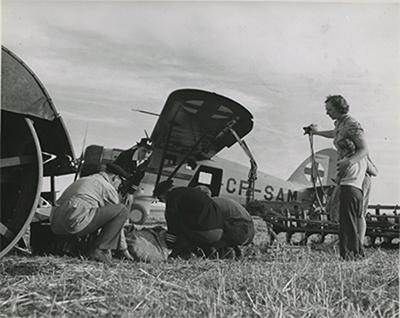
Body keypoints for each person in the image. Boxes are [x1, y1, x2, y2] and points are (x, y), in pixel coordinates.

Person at [309, 95, 368, 260]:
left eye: (330, 110)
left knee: (348, 218)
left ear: (340, 107)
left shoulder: (352, 124)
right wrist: (317, 132)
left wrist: (348, 162)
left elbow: (364, 149)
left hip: (352, 175)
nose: (327, 113)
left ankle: (353, 255)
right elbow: (335, 134)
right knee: (346, 218)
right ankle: (352, 254)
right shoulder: (340, 124)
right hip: (346, 175)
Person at [50, 163, 132, 264]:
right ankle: (100, 250)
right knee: (122, 211)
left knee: (92, 211)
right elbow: (118, 223)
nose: (119, 186)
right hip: (74, 223)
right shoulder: (107, 187)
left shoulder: (83, 180)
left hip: (55, 224)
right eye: (121, 183)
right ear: (115, 178)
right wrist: (124, 250)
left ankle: (72, 245)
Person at [153, 180, 226, 259]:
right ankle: (209, 251)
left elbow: (172, 222)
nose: (163, 202)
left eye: (161, 199)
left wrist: (169, 243)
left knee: (182, 230)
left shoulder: (172, 195)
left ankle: (179, 255)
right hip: (219, 232)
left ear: (164, 194)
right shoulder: (188, 193)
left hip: (204, 232)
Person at [195, 185, 255, 257]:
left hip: (240, 230)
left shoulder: (210, 204)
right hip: (250, 232)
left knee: (207, 233)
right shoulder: (220, 200)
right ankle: (232, 251)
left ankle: (216, 251)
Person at [359, 156, 378, 244]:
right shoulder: (362, 156)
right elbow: (374, 171)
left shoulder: (361, 156)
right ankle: (358, 241)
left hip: (360, 183)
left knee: (359, 213)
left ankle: (359, 241)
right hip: (359, 182)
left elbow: (374, 172)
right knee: (359, 214)